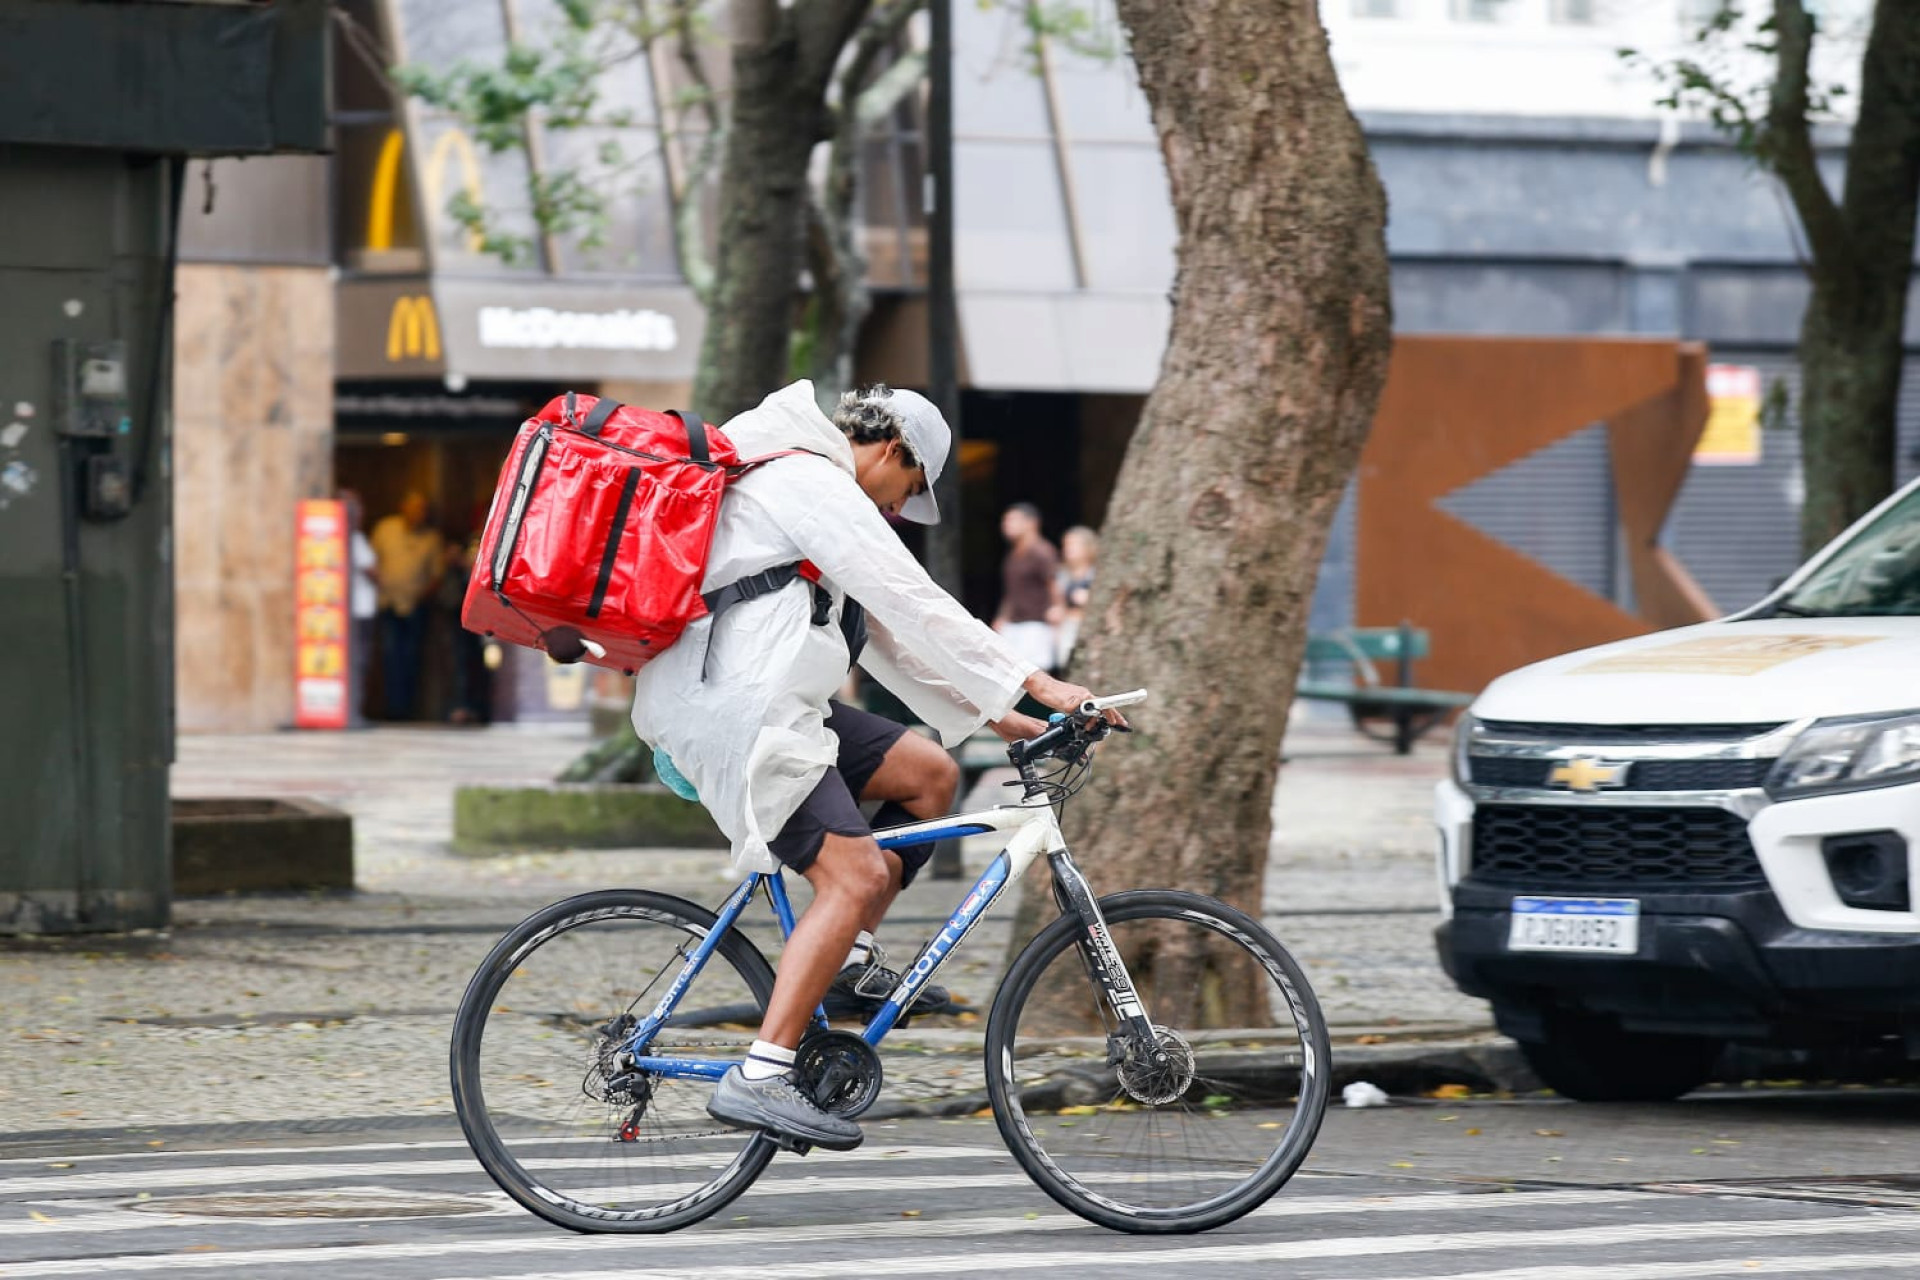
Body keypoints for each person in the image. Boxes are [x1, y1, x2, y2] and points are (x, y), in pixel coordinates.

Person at [630, 381, 1106, 1154]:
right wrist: (1039, 681)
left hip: (773, 696)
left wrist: (1011, 717)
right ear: (891, 451)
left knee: (929, 776)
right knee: (853, 876)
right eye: (909, 489)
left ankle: (846, 962)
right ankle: (763, 1072)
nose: (899, 508)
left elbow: (888, 637)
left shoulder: (819, 492)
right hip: (738, 710)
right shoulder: (807, 478)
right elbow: (914, 599)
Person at [370, 491, 444, 721]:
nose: (418, 512)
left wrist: (421, 598)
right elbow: (370, 561)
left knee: (411, 658)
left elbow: (437, 575)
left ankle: (406, 710)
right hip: (388, 603)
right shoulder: (385, 529)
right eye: (414, 507)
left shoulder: (432, 538)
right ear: (403, 507)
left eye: (423, 509)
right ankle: (392, 708)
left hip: (415, 607)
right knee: (390, 656)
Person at [993, 503, 1060, 674]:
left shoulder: (1042, 551)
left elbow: (1054, 584)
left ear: (1031, 523)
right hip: (1013, 624)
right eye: (1006, 520)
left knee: (1036, 674)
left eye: (1013, 520)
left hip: (1036, 624)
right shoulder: (1013, 554)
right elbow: (1012, 592)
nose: (1006, 525)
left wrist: (1057, 608)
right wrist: (1002, 618)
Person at [341, 490, 377, 729]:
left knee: (358, 661)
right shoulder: (353, 540)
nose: (360, 513)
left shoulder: (354, 538)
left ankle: (353, 709)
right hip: (358, 612)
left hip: (358, 611)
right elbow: (373, 572)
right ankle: (352, 710)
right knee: (358, 661)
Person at [1049, 524, 1099, 669]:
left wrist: (1089, 600)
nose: (1069, 549)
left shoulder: (1096, 574)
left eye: (1075, 544)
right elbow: (1059, 603)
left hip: (1088, 629)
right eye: (1067, 545)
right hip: (1067, 628)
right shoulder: (1063, 575)